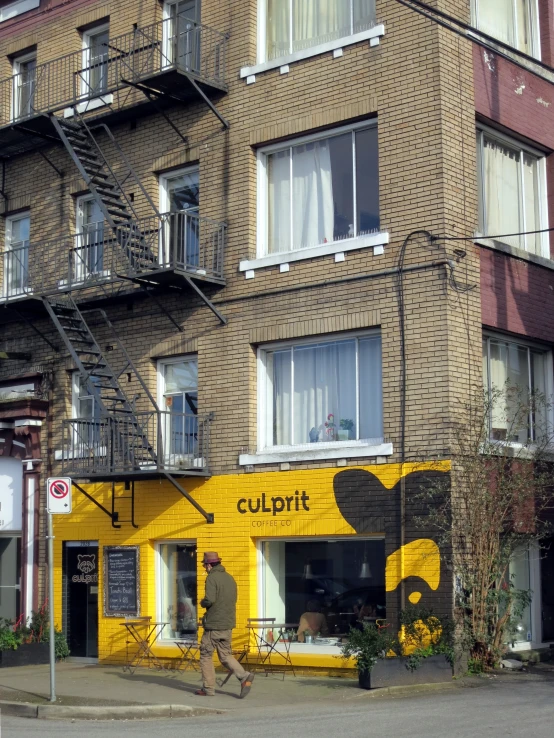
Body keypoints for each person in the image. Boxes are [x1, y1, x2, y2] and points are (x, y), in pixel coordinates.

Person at [195, 552, 254, 698]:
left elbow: (210, 600)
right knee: (226, 655)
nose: (204, 567)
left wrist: (202, 603)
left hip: (214, 625)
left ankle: (208, 688)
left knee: (206, 655)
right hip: (227, 623)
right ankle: (244, 676)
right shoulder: (230, 578)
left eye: (204, 565)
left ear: (209, 565)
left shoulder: (211, 578)